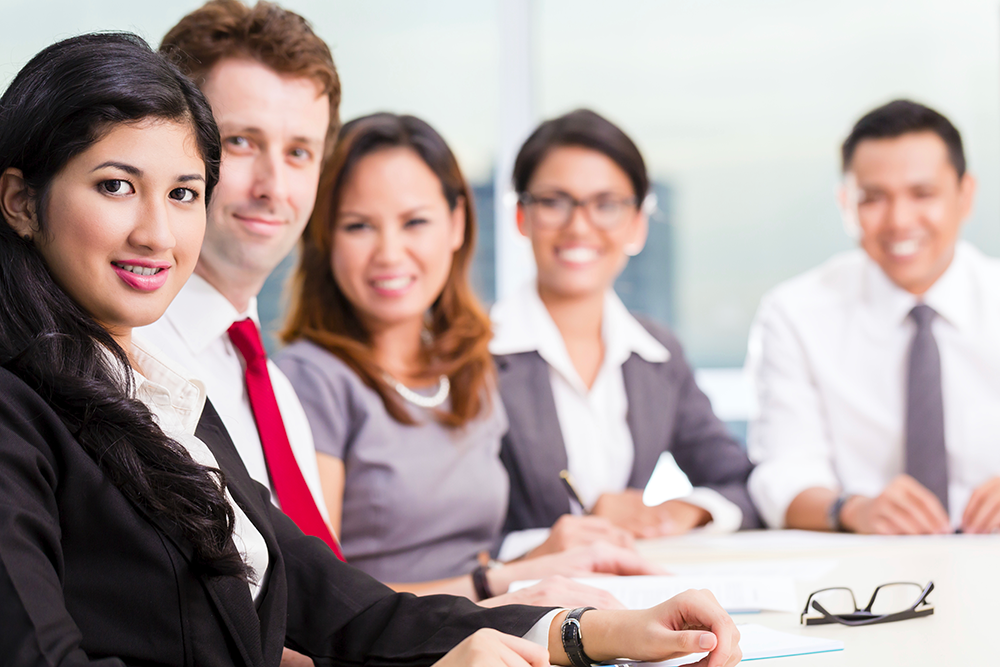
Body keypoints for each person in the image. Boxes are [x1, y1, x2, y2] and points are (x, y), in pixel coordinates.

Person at [0, 32, 743, 667]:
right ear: (21, 200)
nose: (157, 233)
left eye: (184, 192)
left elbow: (342, 605)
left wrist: (586, 633)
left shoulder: (158, 388)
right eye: (115, 185)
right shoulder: (18, 406)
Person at [276, 112, 649, 607]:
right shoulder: (311, 380)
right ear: (325, 238)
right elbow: (316, 609)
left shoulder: (467, 368)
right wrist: (498, 583)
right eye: (359, 225)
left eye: (415, 222)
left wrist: (544, 558)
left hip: (486, 631)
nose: (390, 253)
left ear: (456, 224)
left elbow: (472, 563)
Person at [493, 109, 760, 543]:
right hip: (517, 604)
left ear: (637, 225)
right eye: (554, 202)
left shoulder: (656, 353)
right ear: (522, 217)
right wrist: (565, 533)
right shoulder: (471, 353)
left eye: (606, 205)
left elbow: (743, 485)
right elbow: (450, 532)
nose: (579, 226)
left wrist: (681, 511)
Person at [138, 0, 341, 553]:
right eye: (242, 142)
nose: (274, 186)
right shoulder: (127, 364)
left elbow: (330, 608)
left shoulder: (275, 390)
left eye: (300, 152)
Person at [745, 99, 1000, 535]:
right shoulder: (794, 313)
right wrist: (852, 510)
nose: (899, 221)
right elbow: (783, 473)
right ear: (846, 203)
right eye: (873, 199)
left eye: (923, 194)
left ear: (965, 195)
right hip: (861, 568)